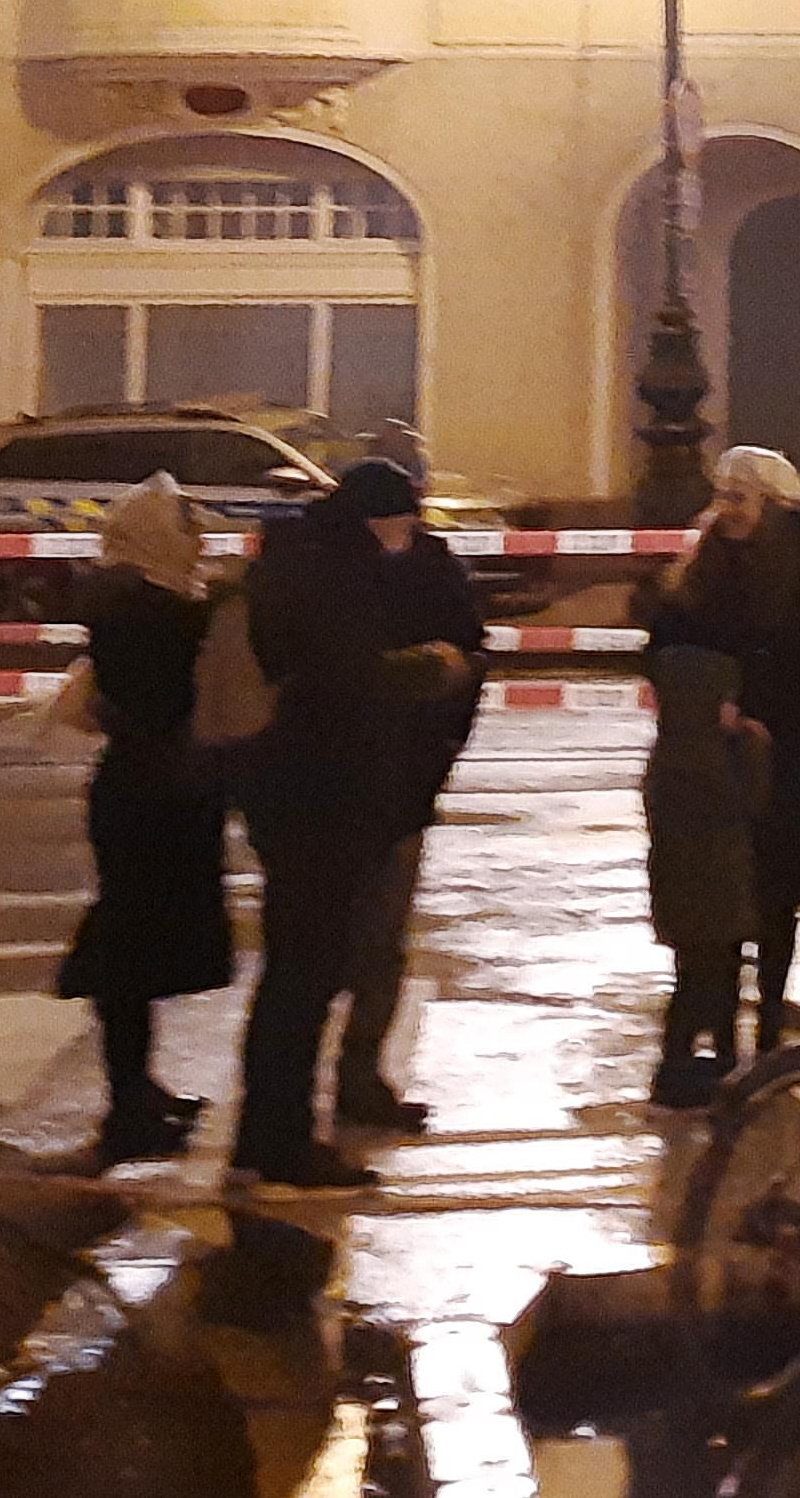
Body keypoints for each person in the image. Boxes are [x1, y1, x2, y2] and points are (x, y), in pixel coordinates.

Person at [225, 458, 479, 1192]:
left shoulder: (301, 563)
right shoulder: (327, 575)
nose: (410, 534)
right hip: (324, 801)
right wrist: (426, 670)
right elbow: (343, 681)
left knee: (304, 971)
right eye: (402, 521)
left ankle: (267, 1132)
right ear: (376, 519)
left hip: (311, 798)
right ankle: (282, 1139)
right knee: (306, 975)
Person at [640, 446, 800, 1053]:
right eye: (723, 495)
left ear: (775, 505)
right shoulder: (697, 571)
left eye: (741, 496)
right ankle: (715, 1027)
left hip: (782, 756)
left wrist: (765, 712)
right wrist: (704, 704)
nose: (727, 508)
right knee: (716, 893)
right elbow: (663, 651)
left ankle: (768, 1019)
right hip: (711, 760)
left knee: (778, 890)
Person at [53, 475, 234, 1168]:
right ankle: (128, 1104)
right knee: (130, 951)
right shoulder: (143, 608)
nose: (200, 542)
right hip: (153, 796)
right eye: (188, 529)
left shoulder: (141, 597)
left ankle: (139, 1090)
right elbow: (179, 674)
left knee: (141, 946)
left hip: (152, 789)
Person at [334, 458, 488, 1136]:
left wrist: (433, 756)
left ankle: (360, 1073)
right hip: (335, 788)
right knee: (331, 944)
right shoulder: (328, 570)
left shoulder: (432, 569)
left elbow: (470, 661)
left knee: (382, 940)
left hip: (400, 787)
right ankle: (325, 1080)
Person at [641, 639, 766, 1107]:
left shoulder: (669, 753)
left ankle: (687, 1061)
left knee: (694, 977)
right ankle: (710, 1062)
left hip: (684, 891)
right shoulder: (713, 756)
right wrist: (752, 747)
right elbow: (747, 803)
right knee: (714, 979)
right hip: (717, 888)